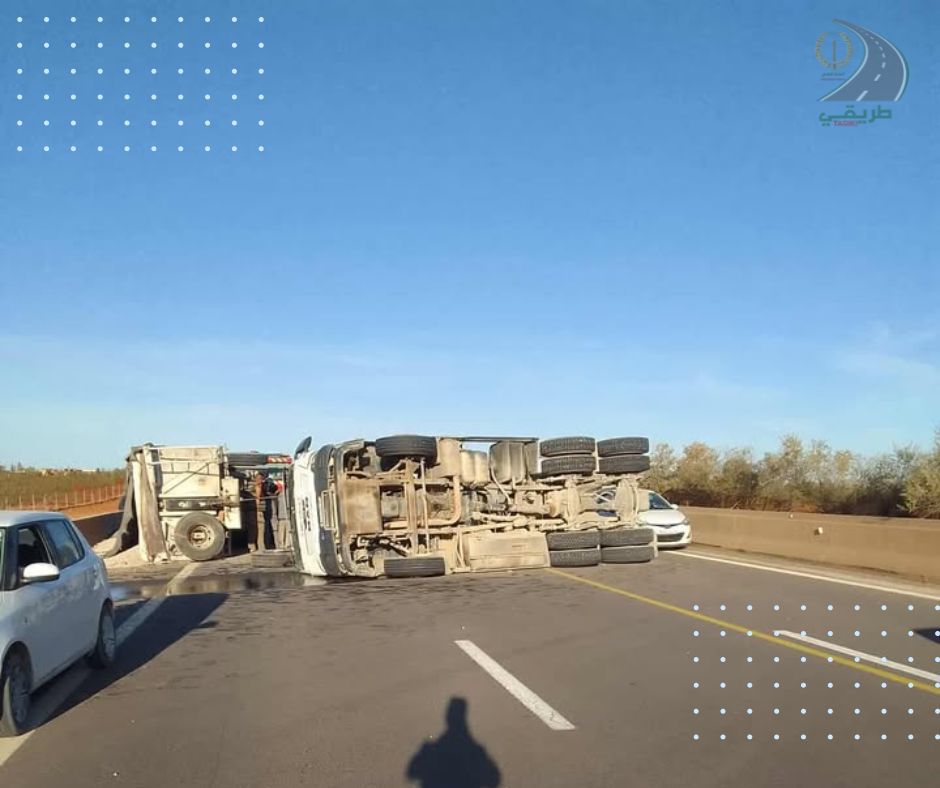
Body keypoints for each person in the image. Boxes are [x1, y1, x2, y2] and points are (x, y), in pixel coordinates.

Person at [406, 697, 501, 788]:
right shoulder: (475, 753)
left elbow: (411, 773)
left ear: (447, 717)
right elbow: (494, 780)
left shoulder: (430, 751)